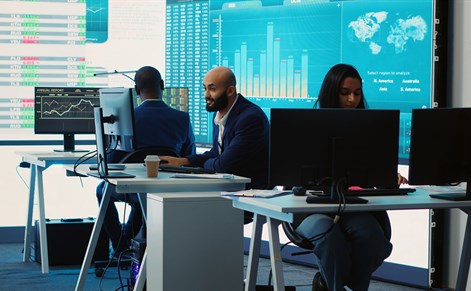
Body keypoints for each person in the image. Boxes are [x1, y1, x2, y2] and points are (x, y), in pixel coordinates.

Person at [296, 64, 406, 291]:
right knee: (329, 238)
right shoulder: (307, 126)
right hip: (312, 207)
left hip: (352, 206)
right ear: (331, 92)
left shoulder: (368, 128)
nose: (351, 99)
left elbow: (372, 171)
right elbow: (293, 176)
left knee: (372, 238)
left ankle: (331, 284)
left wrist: (386, 175)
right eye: (345, 93)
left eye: (356, 93)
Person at [96, 66, 196, 256]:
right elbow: (188, 157)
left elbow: (112, 160)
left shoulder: (126, 117)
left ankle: (119, 245)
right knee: (142, 197)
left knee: (102, 190)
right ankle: (130, 241)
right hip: (168, 186)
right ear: (162, 86)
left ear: (136, 89)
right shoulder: (182, 118)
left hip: (134, 188)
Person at [160, 66, 270, 190]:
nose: (206, 95)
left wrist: (201, 167)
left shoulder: (250, 118)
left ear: (230, 91)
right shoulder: (219, 113)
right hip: (230, 189)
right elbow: (216, 153)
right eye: (205, 88)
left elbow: (223, 166)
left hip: (250, 194)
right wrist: (183, 162)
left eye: (212, 89)